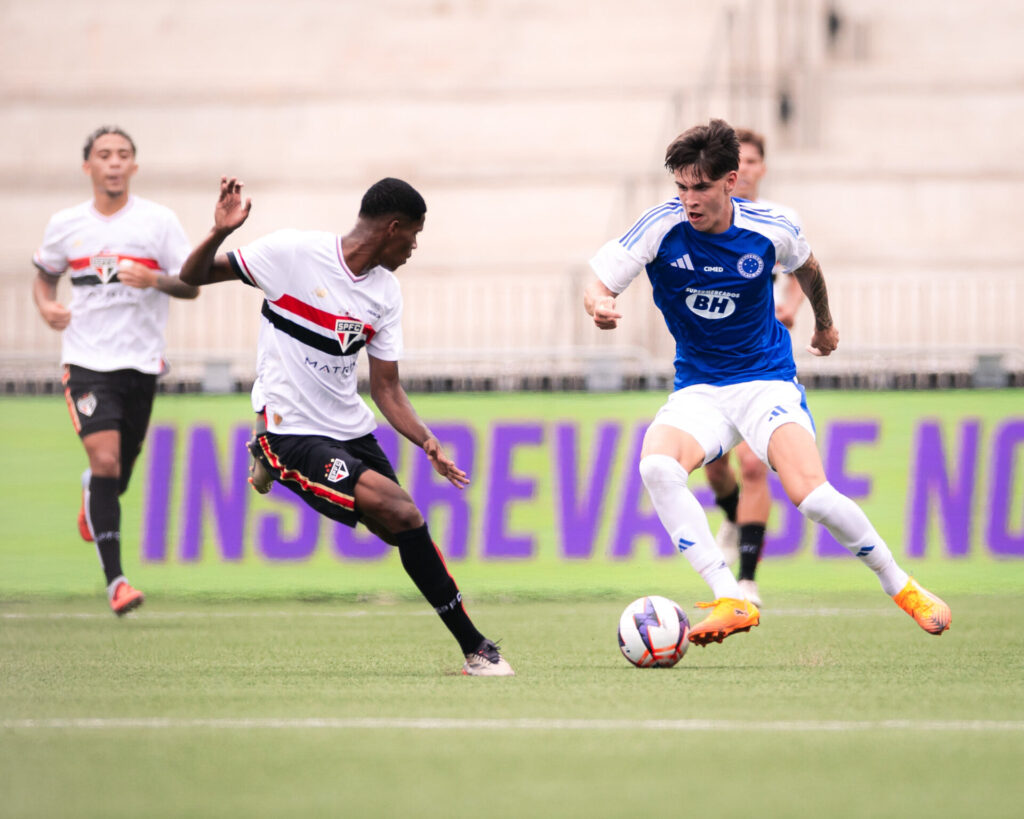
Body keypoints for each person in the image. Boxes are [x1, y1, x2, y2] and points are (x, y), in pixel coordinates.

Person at [584, 119, 951, 647]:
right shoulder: (659, 226)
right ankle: (730, 595)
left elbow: (809, 268)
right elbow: (597, 279)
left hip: (765, 382)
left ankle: (902, 586)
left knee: (813, 496)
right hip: (700, 388)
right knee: (657, 467)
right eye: (682, 187)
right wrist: (598, 302)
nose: (690, 199)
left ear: (731, 181)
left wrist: (824, 323)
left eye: (702, 187)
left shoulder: (771, 226)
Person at [179, 175, 514, 677]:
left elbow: (386, 389)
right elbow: (193, 275)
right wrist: (219, 232)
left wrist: (427, 441)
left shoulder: (385, 293)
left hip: (350, 429)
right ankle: (478, 648)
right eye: (414, 236)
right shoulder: (291, 254)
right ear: (393, 228)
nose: (415, 248)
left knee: (401, 528)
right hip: (292, 429)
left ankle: (474, 649)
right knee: (404, 510)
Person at [32, 125, 199, 615]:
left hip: (141, 364)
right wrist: (46, 309)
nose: (113, 163)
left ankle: (94, 493)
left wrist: (155, 279)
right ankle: (117, 583)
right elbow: (44, 282)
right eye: (104, 155)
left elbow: (191, 285)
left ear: (133, 166)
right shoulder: (65, 224)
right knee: (105, 461)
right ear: (89, 166)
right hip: (86, 362)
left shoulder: (158, 222)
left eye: (123, 154)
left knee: (117, 473)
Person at [703, 128, 805, 607]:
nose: (743, 170)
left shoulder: (776, 221)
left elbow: (803, 268)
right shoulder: (701, 221)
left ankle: (746, 578)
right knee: (715, 465)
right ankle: (729, 513)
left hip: (762, 364)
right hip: (709, 364)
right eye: (736, 162)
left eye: (751, 161)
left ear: (762, 168)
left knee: (753, 466)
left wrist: (790, 306)